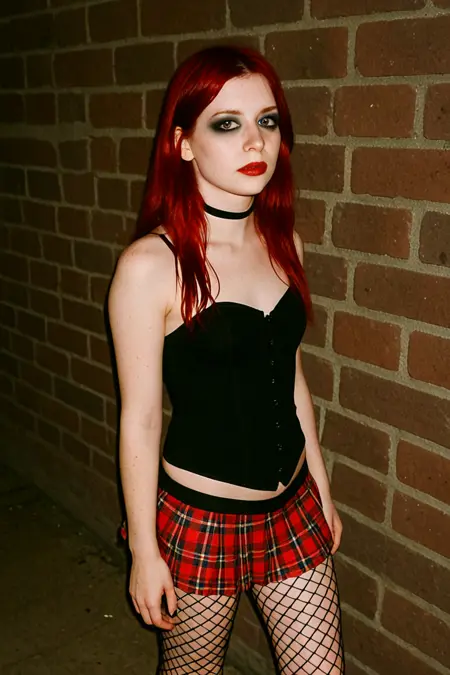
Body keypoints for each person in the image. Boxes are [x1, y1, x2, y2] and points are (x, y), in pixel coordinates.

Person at [109, 45, 344, 675]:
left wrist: (321, 487)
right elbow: (140, 419)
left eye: (267, 121)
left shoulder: (284, 242)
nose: (255, 142)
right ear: (183, 143)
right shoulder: (150, 267)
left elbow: (291, 376)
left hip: (292, 507)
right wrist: (144, 552)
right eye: (226, 123)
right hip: (201, 521)